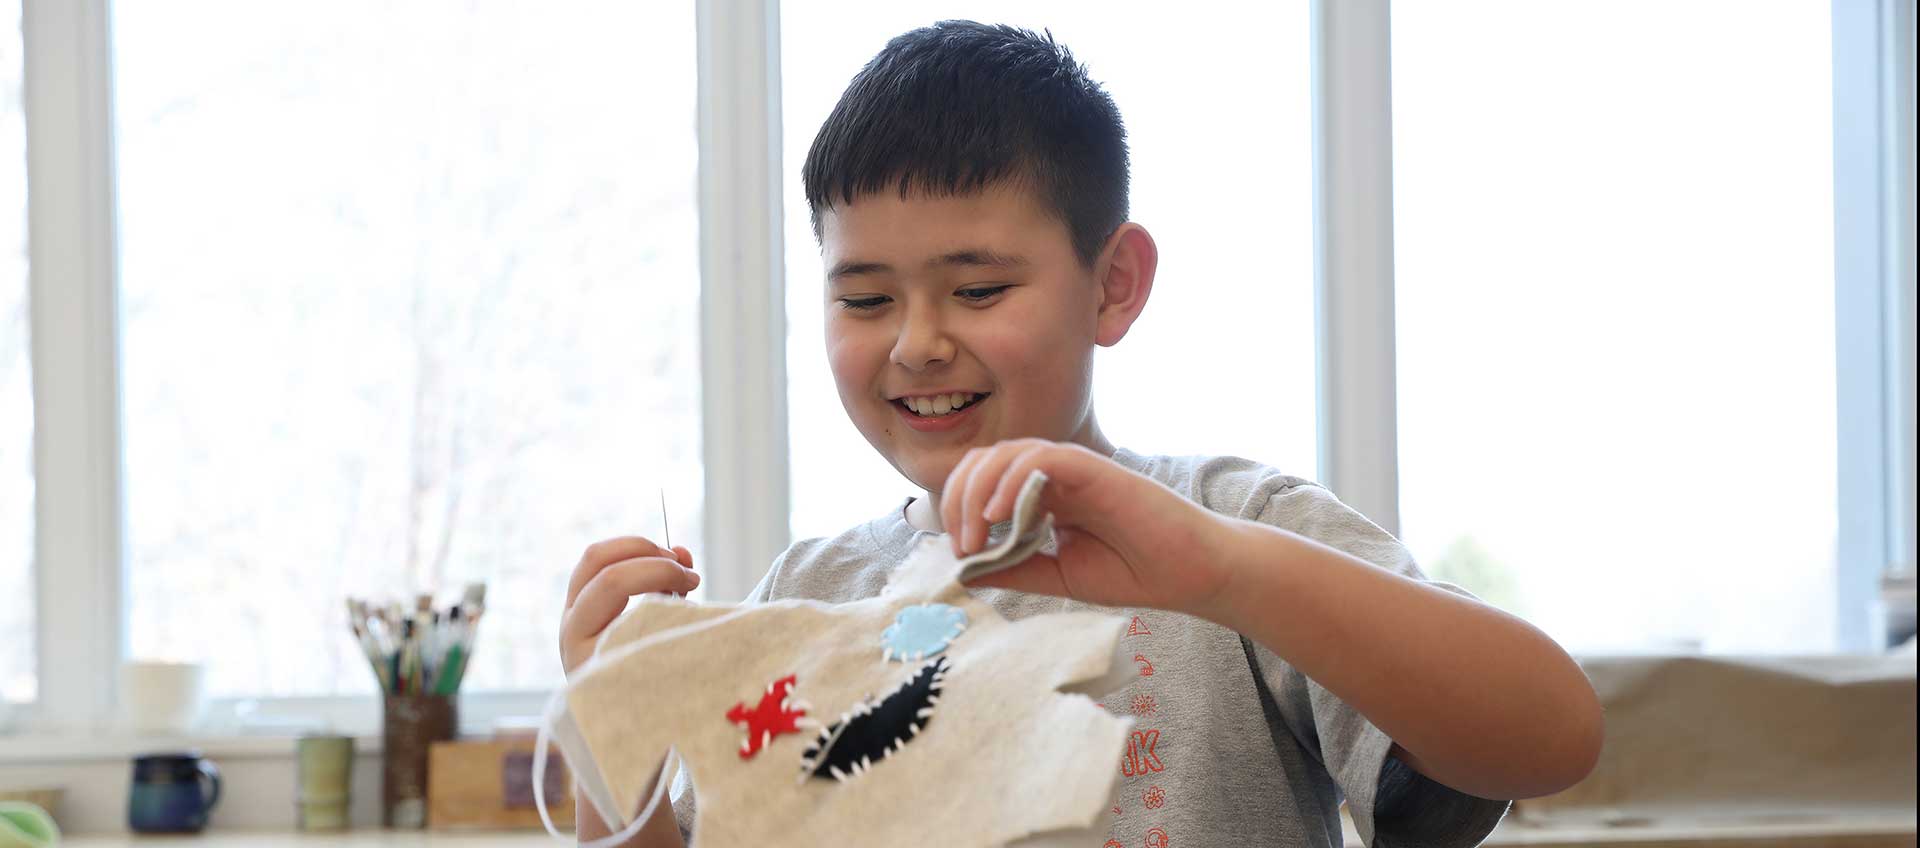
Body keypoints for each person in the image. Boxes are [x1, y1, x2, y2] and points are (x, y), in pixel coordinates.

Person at [559, 20, 1602, 847]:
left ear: (1114, 283)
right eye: (866, 299)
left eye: (977, 287)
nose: (918, 343)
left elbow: (1551, 733)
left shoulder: (1233, 526)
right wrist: (620, 724)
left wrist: (1220, 572)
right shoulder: (809, 590)